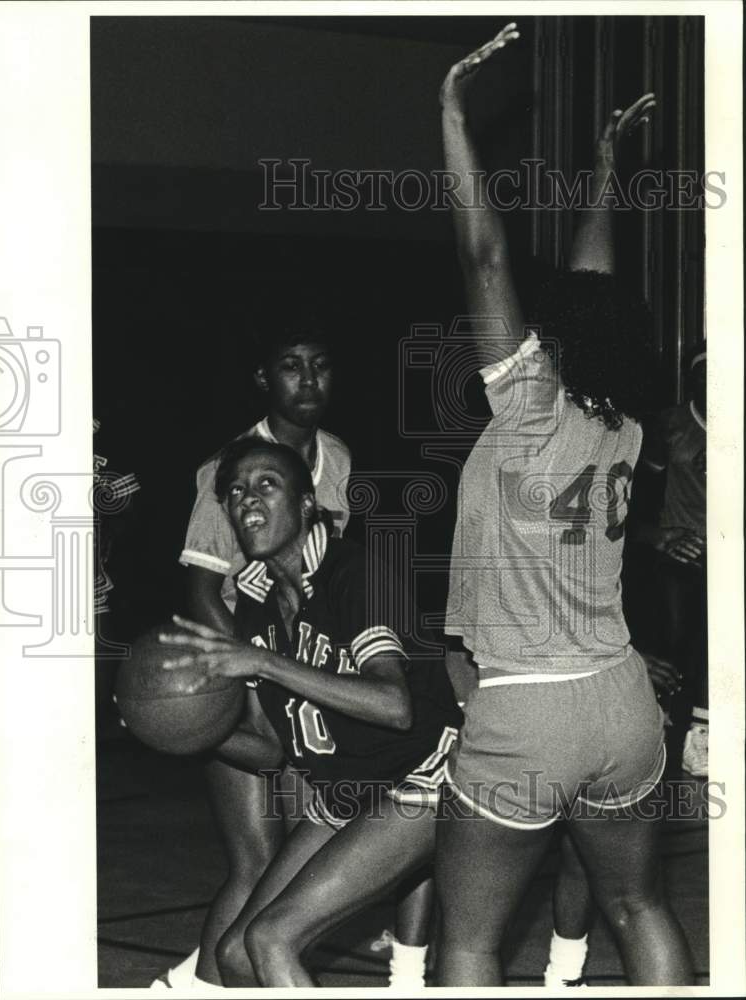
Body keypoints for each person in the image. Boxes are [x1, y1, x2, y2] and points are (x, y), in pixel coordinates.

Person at [434, 24, 693, 986]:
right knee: (637, 905)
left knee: (469, 940)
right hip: (624, 701)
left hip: (527, 707)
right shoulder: (623, 419)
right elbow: (599, 291)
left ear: (551, 341)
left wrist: (453, 118)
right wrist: (602, 170)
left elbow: (484, 257)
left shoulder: (529, 395)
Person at [160, 438, 464, 986]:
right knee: (236, 955)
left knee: (271, 939)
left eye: (266, 484)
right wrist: (178, 729)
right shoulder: (255, 601)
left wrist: (265, 662)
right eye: (234, 492)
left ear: (306, 504)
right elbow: (268, 747)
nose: (247, 499)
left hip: (426, 775)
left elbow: (394, 706)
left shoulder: (358, 572)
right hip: (348, 790)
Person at [154, 320, 352, 991]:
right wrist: (247, 680)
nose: (308, 379)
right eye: (290, 366)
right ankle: (195, 986)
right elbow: (203, 589)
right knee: (256, 858)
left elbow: (332, 584)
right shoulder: (230, 467)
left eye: (319, 364)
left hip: (298, 672)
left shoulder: (339, 458)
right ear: (264, 380)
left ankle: (197, 977)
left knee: (292, 861)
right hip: (237, 676)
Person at [637, 349, 707, 775]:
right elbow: (637, 494)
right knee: (681, 629)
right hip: (683, 544)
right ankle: (674, 723)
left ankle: (704, 723)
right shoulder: (670, 425)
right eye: (705, 371)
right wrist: (658, 537)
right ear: (693, 378)